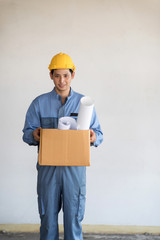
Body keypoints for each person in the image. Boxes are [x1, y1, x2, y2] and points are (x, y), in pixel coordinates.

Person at [22, 52, 103, 240]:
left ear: (73, 75)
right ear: (51, 75)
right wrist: (34, 134)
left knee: (73, 218)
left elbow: (99, 134)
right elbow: (27, 133)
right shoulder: (39, 103)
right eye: (57, 75)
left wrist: (92, 137)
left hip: (74, 170)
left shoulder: (85, 104)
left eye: (66, 75)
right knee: (48, 220)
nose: (61, 81)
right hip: (48, 170)